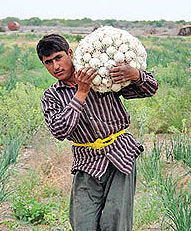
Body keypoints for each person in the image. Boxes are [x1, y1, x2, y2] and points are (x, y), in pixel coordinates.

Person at [37, 34, 158, 231]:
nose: (56, 67)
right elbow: (59, 130)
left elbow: (149, 89)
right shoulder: (52, 96)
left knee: (116, 223)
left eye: (59, 58)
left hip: (121, 156)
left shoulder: (100, 76)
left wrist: (135, 75)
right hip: (87, 163)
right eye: (48, 63)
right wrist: (81, 92)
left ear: (70, 53)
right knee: (83, 223)